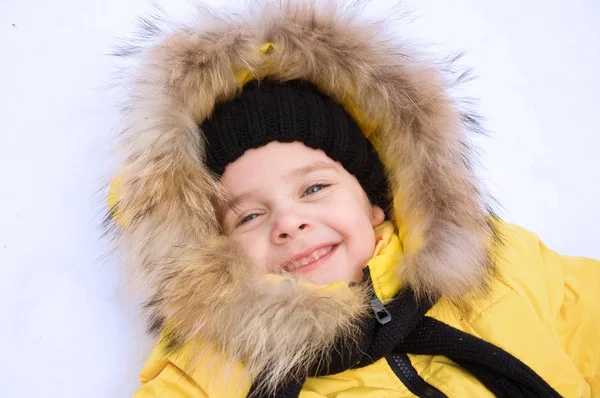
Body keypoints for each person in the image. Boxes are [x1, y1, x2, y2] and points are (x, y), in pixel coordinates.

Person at [107, 2, 600, 397]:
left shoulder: (500, 266)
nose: (290, 222)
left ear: (374, 201)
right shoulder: (211, 370)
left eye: (314, 188)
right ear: (214, 253)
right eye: (251, 215)